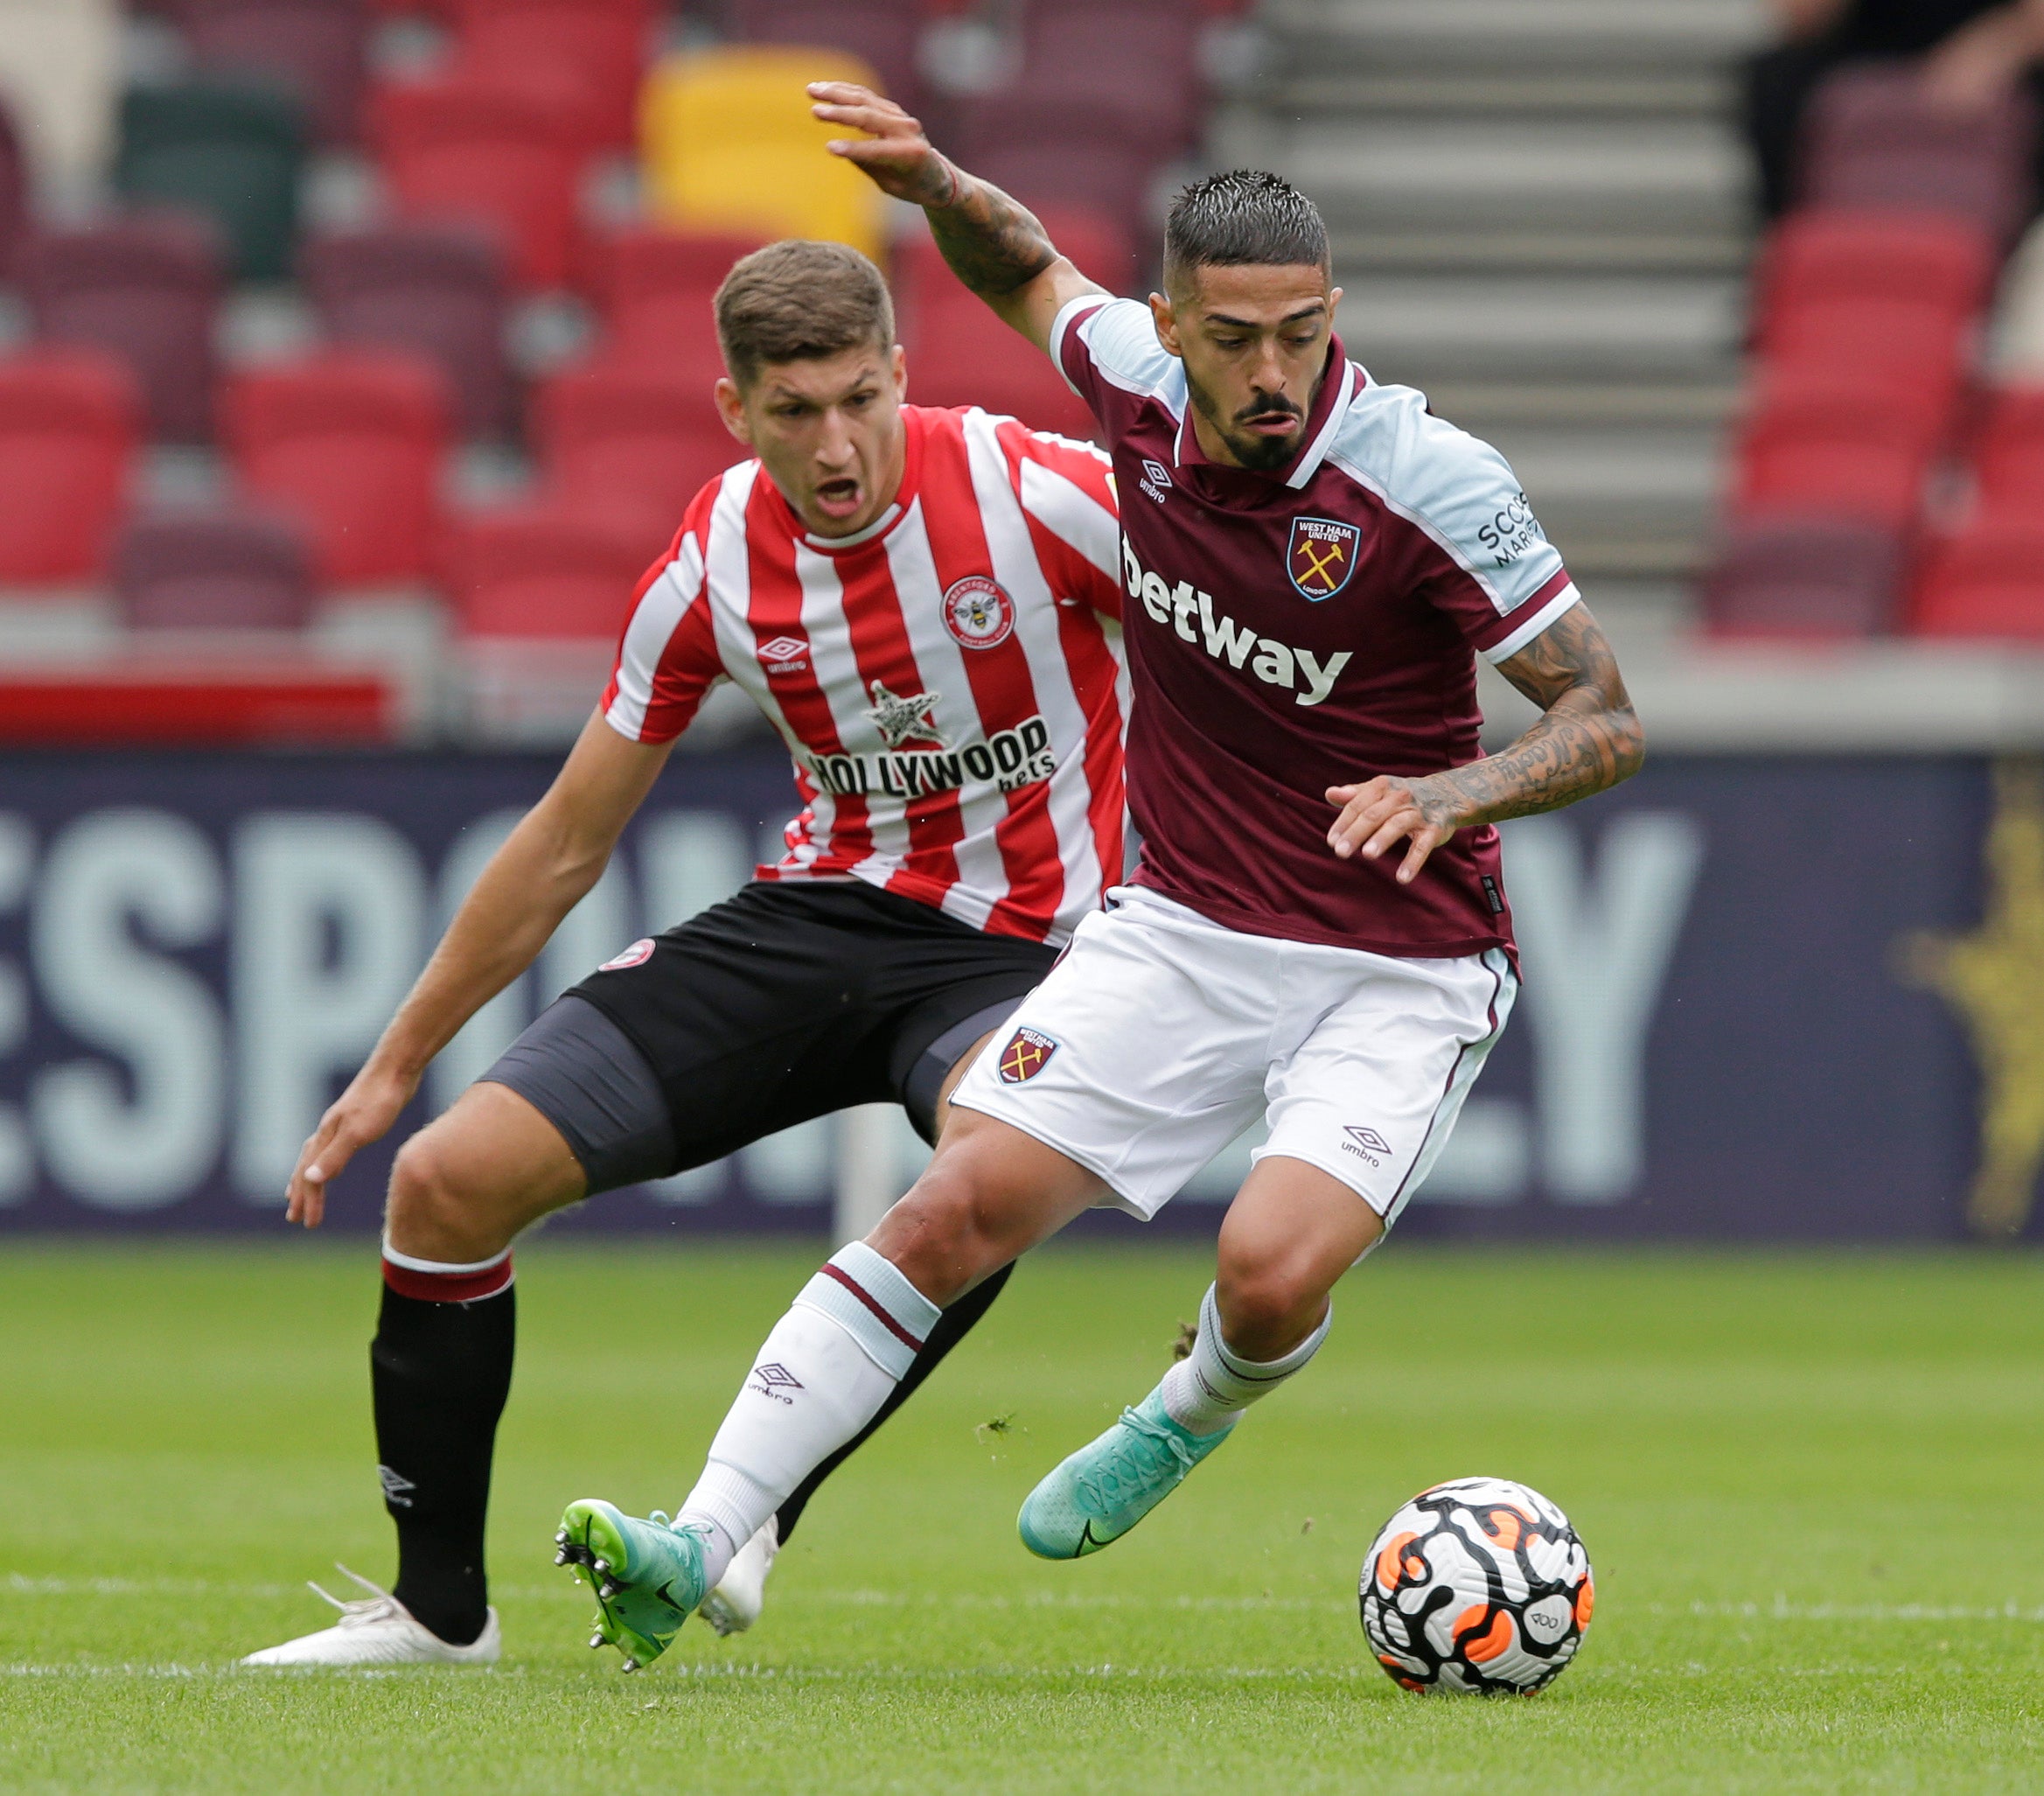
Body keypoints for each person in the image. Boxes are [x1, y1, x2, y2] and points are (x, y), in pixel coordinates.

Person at [552, 90, 1646, 1675]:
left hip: (1397, 957)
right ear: (1169, 326)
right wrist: (930, 178)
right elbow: (1020, 269)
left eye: (1301, 334)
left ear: (1334, 317)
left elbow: (1604, 713)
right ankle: (701, 1536)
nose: (1271, 374)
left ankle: (1191, 1401)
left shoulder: (1424, 477)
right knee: (956, 1201)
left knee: (1266, 1270)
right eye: (1233, 338)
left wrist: (1451, 785)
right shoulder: (1127, 382)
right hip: (1187, 926)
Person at [240, 238, 1129, 1667]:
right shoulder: (715, 558)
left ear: (902, 374)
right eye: (793, 411)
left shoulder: (1033, 493)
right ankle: (435, 1612)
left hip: (1032, 944)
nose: (835, 446)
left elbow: (1236, 624)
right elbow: (565, 840)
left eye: (858, 399)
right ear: (734, 409)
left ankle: (751, 1509)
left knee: (990, 1163)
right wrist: (391, 1066)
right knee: (447, 1181)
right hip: (824, 914)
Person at [1744, 0, 2044, 218]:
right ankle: (1799, 247)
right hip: (1869, 47)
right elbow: (1801, 20)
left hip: (1995, 39)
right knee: (1776, 80)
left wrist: (2000, 45)